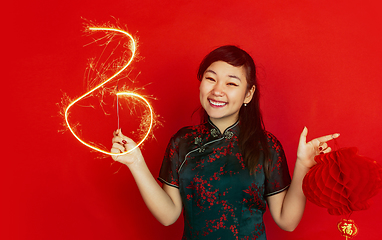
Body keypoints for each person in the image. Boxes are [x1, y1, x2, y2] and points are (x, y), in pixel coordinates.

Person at [111, 45, 339, 239]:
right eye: (210, 79)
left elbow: (287, 221)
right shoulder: (183, 142)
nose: (217, 90)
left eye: (231, 83)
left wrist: (302, 165)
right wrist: (136, 162)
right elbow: (168, 216)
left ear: (248, 94)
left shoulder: (266, 145)